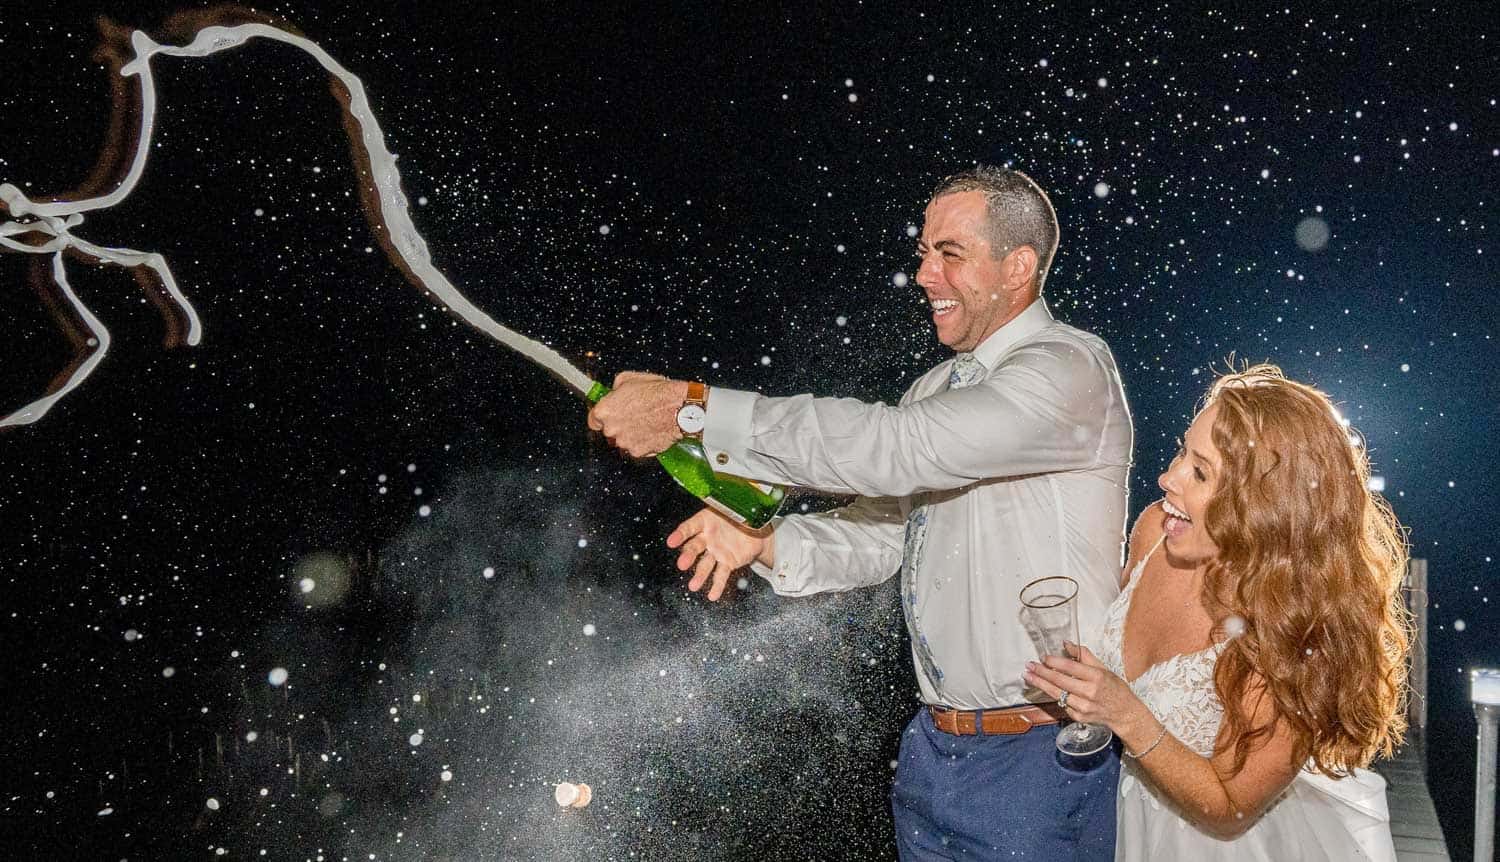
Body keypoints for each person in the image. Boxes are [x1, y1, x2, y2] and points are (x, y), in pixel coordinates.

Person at [589, 165, 1134, 860]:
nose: (924, 276)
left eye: (950, 254)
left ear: (1018, 265)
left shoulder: (1068, 369)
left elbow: (897, 449)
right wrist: (764, 543)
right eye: (923, 253)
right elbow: (885, 534)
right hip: (935, 752)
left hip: (1043, 757)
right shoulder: (936, 386)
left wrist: (692, 409)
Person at [1023, 364, 1409, 861]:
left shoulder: (1292, 626)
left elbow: (1231, 810)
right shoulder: (1153, 534)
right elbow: (1123, 683)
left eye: (1200, 472)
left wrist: (1125, 713)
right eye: (1183, 451)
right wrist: (1081, 690)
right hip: (1129, 827)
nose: (1167, 477)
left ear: (1264, 505)